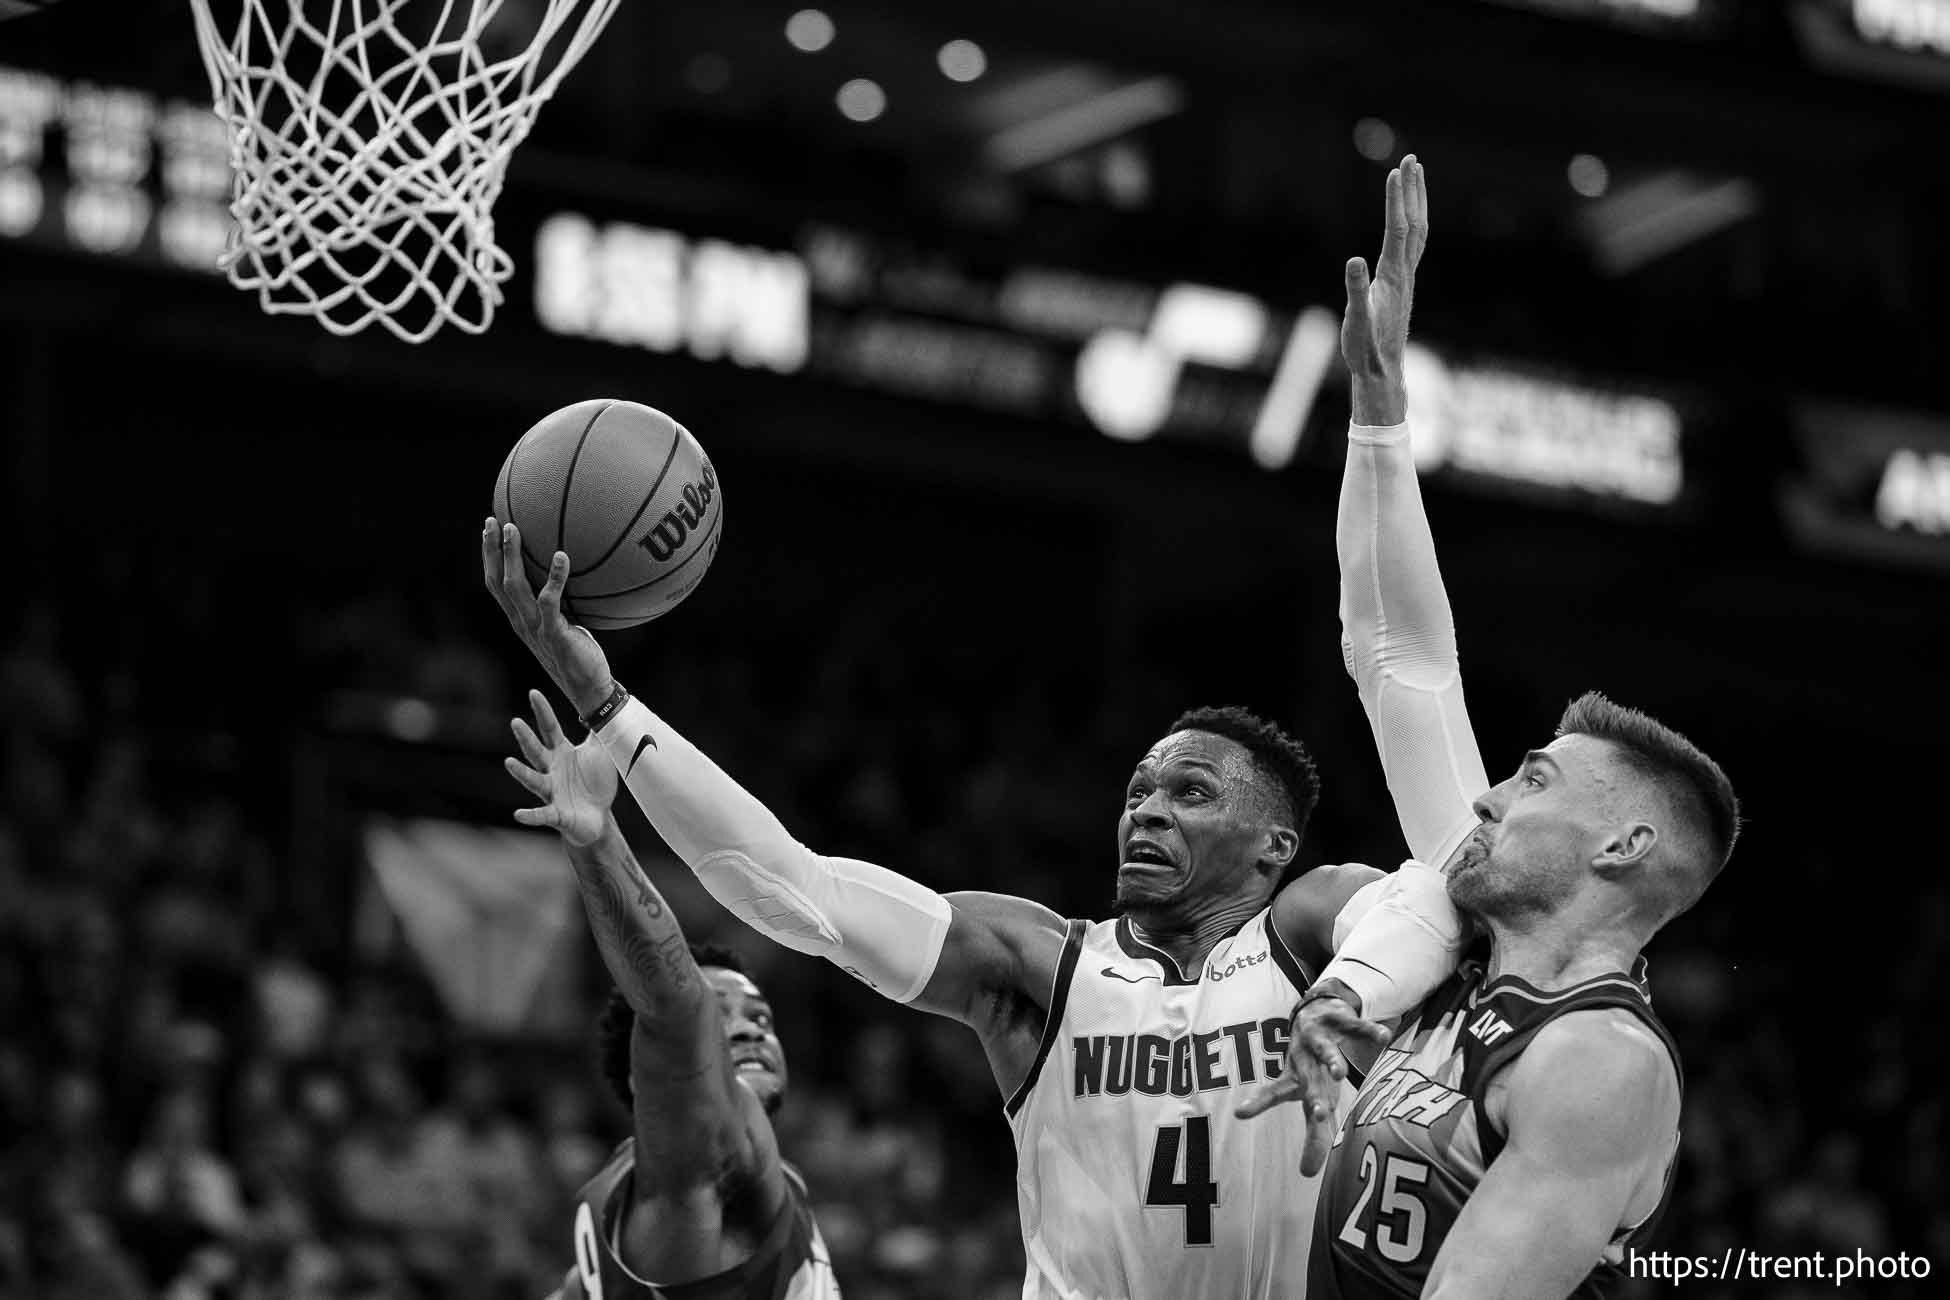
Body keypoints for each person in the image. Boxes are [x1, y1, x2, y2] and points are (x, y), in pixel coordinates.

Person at [479, 565, 1468, 1290]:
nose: (1147, 808)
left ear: (1272, 843)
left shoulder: (1307, 931)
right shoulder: (1038, 963)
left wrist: (1346, 995)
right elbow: (797, 891)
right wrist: (608, 708)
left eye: (1192, 791)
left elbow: (1424, 897)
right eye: (1138, 790)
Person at [1246, 156, 1740, 1299]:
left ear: (1621, 847)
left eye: (1531, 780)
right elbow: (1395, 658)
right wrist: (1379, 418)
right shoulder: (1471, 939)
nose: (1484, 796)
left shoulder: (1596, 1062)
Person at [502, 690, 839, 1300]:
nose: (748, 1028)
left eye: (759, 1015)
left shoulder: (623, 1211)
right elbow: (675, 1007)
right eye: (723, 1017)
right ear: (648, 1069)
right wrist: (598, 840)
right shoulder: (710, 1163)